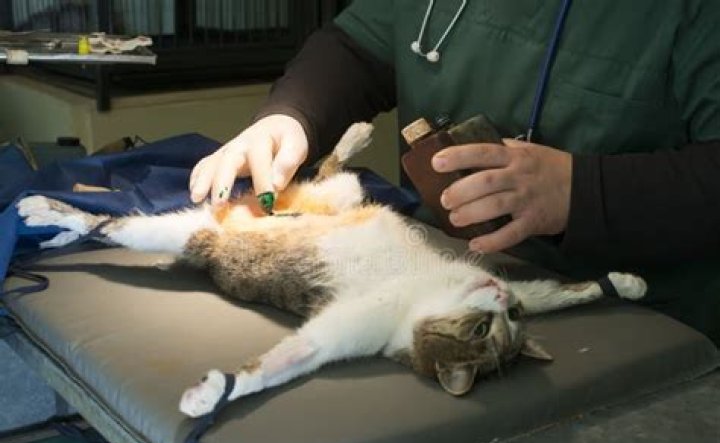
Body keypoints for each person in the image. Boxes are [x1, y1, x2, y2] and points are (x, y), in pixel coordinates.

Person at [188, 0, 720, 345]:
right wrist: (293, 116)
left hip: (635, 328)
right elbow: (358, 49)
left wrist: (580, 192)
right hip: (435, 285)